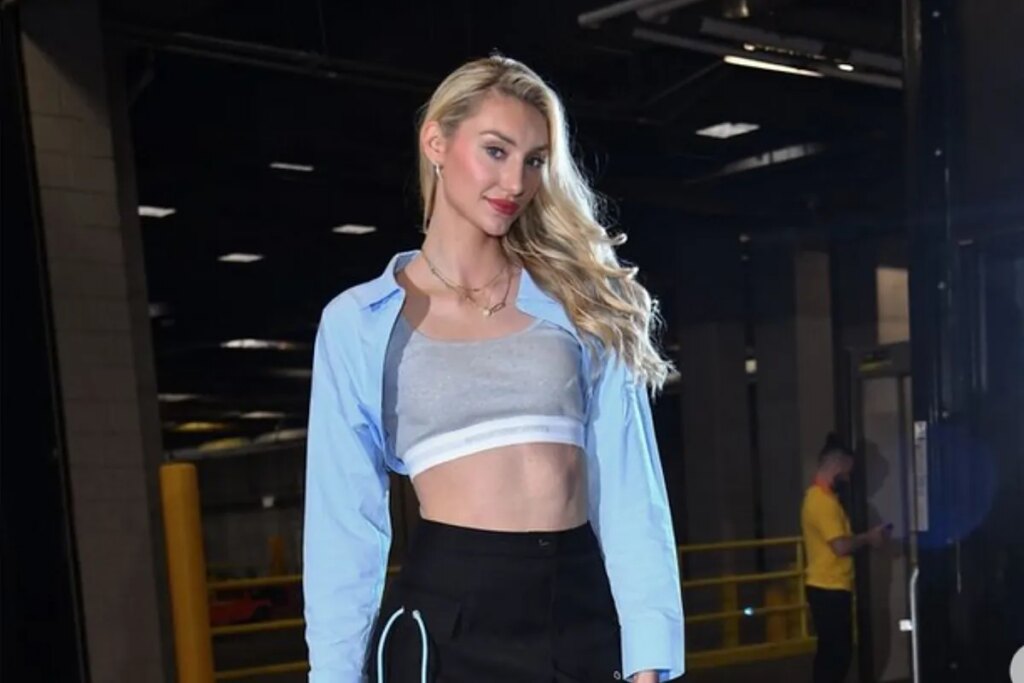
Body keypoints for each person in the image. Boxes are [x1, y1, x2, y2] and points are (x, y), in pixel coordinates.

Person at [302, 55, 685, 683]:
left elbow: (630, 492)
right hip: (449, 626)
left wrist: (650, 654)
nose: (515, 181)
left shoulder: (581, 300)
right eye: (495, 151)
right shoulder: (359, 324)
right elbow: (343, 527)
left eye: (534, 160)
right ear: (436, 142)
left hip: (578, 613)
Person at [801, 433, 890, 683]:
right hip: (828, 587)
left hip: (828, 587)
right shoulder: (822, 502)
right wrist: (868, 538)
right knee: (836, 656)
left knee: (832, 654)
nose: (848, 479)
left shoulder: (823, 499)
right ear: (836, 464)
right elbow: (840, 546)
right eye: (847, 472)